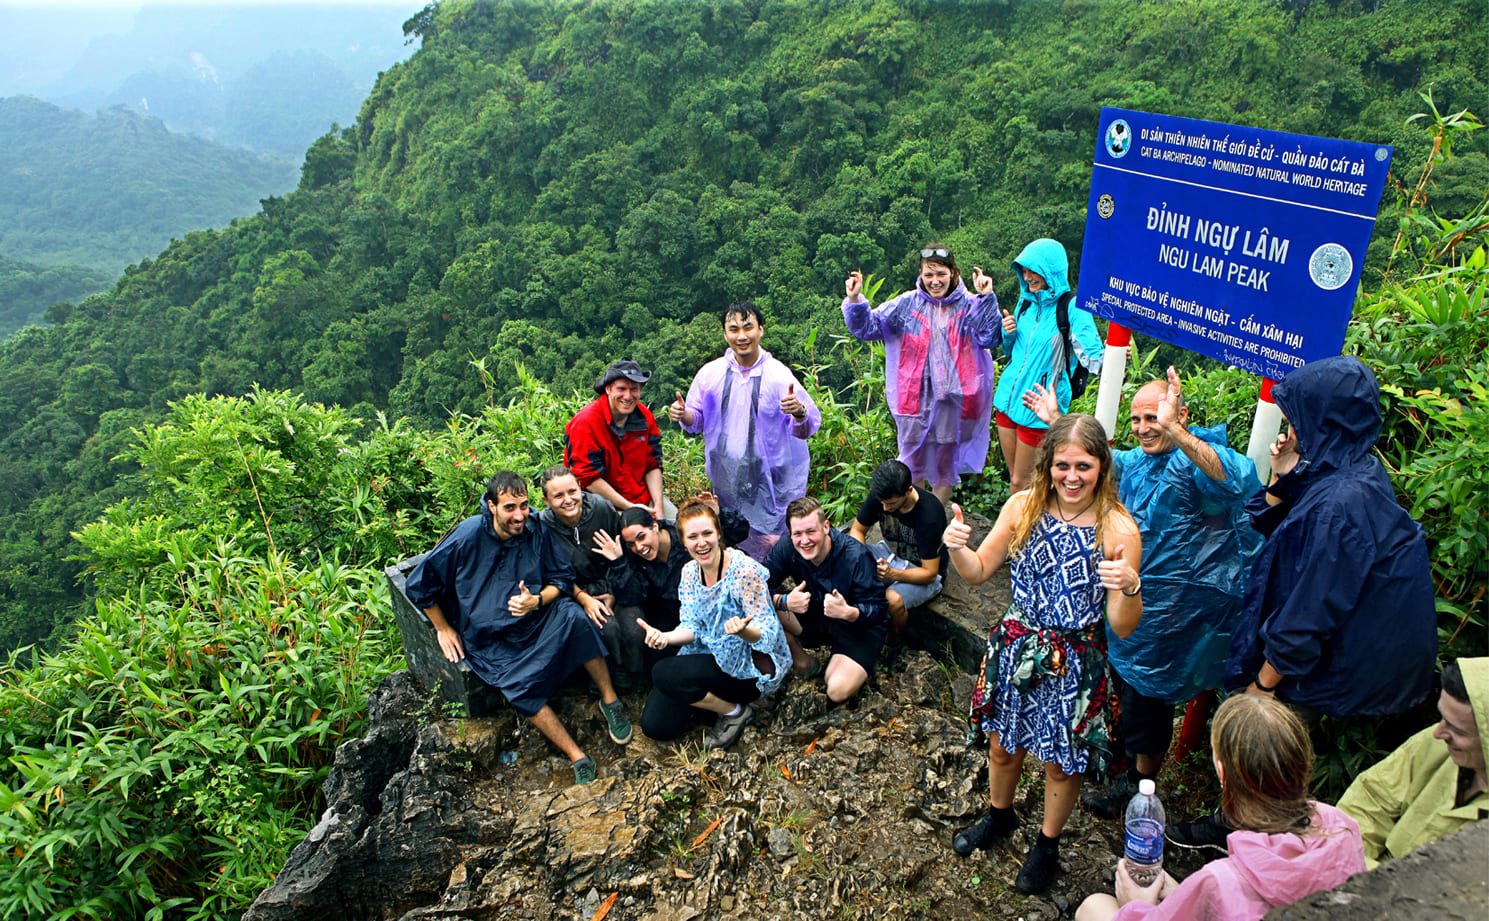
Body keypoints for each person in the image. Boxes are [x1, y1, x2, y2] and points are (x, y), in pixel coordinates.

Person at [1024, 367, 1262, 817]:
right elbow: (1097, 463)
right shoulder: (1137, 462)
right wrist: (1059, 420)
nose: (1143, 429)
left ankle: (1141, 789)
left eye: (1152, 418)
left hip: (1171, 617)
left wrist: (1176, 431)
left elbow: (1234, 480)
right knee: (1122, 699)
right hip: (1124, 603)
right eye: (1137, 421)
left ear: (1179, 414)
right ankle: (1120, 774)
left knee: (1150, 708)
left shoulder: (1198, 461)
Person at [946, 413, 1143, 894]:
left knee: (1062, 761)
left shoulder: (1119, 529)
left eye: (1083, 466)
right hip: (1017, 645)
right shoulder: (1022, 508)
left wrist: (1131, 587)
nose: (1071, 477)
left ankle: (1047, 845)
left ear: (1102, 467)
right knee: (1002, 745)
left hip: (1076, 658)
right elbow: (977, 572)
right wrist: (955, 548)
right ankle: (1000, 815)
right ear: (1047, 465)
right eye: (1062, 466)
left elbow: (1121, 625)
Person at [1225, 355, 1436, 715]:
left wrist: (1262, 688)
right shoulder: (1350, 469)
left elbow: (1311, 608)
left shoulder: (1342, 503)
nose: (1290, 434)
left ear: (1323, 423)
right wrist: (1282, 475)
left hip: (1332, 682)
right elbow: (1277, 533)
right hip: (1336, 670)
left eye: (1296, 424)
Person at [404, 471, 633, 785]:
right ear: (491, 506)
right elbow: (419, 584)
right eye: (510, 507)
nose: (519, 515)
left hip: (538, 619)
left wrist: (536, 601)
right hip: (492, 637)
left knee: (575, 617)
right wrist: (443, 628)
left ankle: (610, 699)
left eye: (524, 506)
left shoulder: (535, 528)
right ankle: (577, 755)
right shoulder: (469, 535)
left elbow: (561, 580)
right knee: (518, 688)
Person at [1074, 695, 1366, 921]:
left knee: (1093, 907)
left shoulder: (1220, 880)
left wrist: (1135, 905)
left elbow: (1227, 892)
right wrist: (1186, 894)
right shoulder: (1342, 826)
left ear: (1222, 773)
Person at [841, 244, 1001, 505]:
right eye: (929, 275)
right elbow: (868, 327)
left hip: (954, 399)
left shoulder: (970, 304)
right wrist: (856, 300)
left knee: (945, 460)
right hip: (913, 398)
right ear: (920, 274)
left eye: (941, 274)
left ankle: (934, 514)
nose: (934, 281)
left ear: (953, 272)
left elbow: (989, 337)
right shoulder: (907, 304)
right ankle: (917, 512)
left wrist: (986, 297)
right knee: (912, 460)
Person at [669, 301, 821, 559]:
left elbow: (806, 427)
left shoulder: (777, 375)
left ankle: (775, 580)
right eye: (733, 329)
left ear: (760, 330)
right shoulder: (711, 373)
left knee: (773, 537)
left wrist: (798, 411)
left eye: (748, 327)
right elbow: (697, 420)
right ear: (725, 334)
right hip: (727, 474)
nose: (741, 336)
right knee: (735, 532)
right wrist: (683, 414)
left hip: (770, 476)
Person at [637, 501, 793, 749]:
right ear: (683, 541)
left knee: (663, 672)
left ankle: (735, 712)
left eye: (707, 533)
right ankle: (708, 702)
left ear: (718, 533)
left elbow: (769, 633)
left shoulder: (745, 571)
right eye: (693, 537)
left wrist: (744, 631)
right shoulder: (689, 572)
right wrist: (667, 637)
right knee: (656, 726)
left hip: (747, 666)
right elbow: (692, 625)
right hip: (708, 654)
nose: (701, 543)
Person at [1338, 658, 1489, 869]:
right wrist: (1351, 861)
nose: (1438, 733)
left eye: (1458, 730)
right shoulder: (1439, 744)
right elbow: (1372, 797)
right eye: (1442, 717)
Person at [991, 238, 1103, 494]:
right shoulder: (1026, 303)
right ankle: (1021, 528)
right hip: (1008, 401)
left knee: (1024, 483)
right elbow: (1012, 353)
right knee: (1016, 479)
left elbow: (1093, 357)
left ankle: (1019, 531)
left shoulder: (1072, 307)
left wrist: (1118, 356)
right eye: (1024, 270)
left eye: (1034, 270)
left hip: (1040, 406)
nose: (1028, 276)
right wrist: (1008, 335)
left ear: (1052, 269)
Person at [764, 497, 889, 704]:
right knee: (762, 611)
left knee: (836, 690)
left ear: (826, 527)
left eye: (811, 531)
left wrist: (849, 612)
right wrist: (784, 601)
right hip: (815, 614)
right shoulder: (787, 547)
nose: (804, 541)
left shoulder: (855, 556)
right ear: (790, 534)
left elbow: (880, 610)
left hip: (857, 627)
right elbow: (754, 589)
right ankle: (803, 661)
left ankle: (847, 663)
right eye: (797, 534)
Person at [536, 465, 630, 686]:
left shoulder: (600, 509)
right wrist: (583, 598)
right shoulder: (542, 526)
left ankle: (629, 672)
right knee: (605, 628)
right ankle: (605, 682)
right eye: (558, 496)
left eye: (572, 491)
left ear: (580, 488)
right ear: (546, 500)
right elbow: (548, 572)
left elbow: (621, 552)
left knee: (631, 628)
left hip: (610, 583)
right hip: (570, 593)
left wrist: (612, 591)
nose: (568, 500)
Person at [846, 458, 948, 645]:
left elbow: (930, 574)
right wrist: (860, 560)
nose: (885, 508)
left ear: (909, 490)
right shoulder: (882, 496)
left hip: (921, 570)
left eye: (891, 503)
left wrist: (892, 574)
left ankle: (891, 640)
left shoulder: (929, 515)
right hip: (889, 555)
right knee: (844, 556)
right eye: (882, 502)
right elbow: (857, 530)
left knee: (891, 600)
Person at [590, 505, 690, 687]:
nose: (639, 547)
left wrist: (717, 513)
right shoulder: (632, 555)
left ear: (654, 527)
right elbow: (632, 597)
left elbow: (732, 533)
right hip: (665, 616)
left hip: (697, 611)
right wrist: (618, 562)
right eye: (631, 544)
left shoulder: (684, 536)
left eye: (641, 537)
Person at [564, 360, 672, 520]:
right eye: (621, 389)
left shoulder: (645, 416)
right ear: (607, 389)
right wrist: (630, 508)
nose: (628, 396)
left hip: (643, 499)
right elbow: (588, 478)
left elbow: (653, 463)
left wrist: (658, 507)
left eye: (634, 389)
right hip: (602, 506)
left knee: (680, 531)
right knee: (638, 538)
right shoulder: (585, 422)